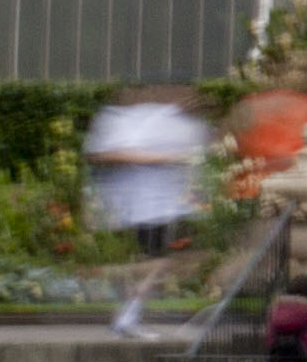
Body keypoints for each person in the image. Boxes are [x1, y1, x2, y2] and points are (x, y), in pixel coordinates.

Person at [87, 84, 213, 336]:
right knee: (157, 263)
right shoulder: (134, 118)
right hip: (137, 205)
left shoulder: (184, 124)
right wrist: (163, 159)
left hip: (164, 206)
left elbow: (200, 151)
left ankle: (128, 315)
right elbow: (107, 154)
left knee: (164, 261)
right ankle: (123, 309)